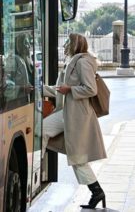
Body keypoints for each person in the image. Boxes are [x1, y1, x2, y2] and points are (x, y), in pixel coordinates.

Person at [42, 33, 107, 209]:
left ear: (75, 45)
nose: (65, 46)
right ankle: (97, 192)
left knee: (78, 158)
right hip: (66, 112)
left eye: (68, 43)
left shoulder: (83, 62)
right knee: (42, 131)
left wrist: (69, 89)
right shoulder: (72, 61)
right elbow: (59, 90)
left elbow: (90, 89)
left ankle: (97, 192)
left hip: (77, 115)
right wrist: (39, 89)